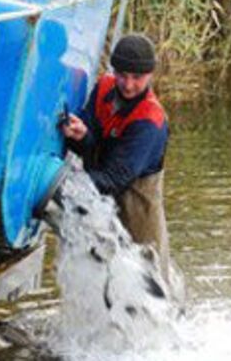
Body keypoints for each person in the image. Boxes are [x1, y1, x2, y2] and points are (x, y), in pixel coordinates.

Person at [61, 34, 172, 277]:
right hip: (101, 196)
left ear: (150, 75)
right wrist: (80, 135)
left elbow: (114, 178)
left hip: (138, 209)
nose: (128, 85)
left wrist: (66, 187)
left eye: (137, 78)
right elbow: (92, 144)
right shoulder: (103, 89)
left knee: (149, 280)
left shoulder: (150, 122)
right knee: (101, 276)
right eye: (122, 74)